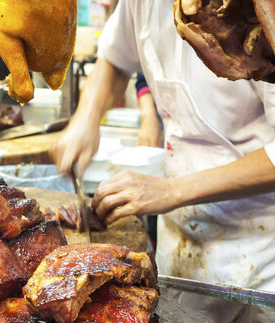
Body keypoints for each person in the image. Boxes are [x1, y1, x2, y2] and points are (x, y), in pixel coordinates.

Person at [52, 0, 275, 291]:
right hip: (177, 241)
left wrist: (171, 190)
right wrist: (87, 116)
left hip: (257, 253)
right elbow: (116, 61)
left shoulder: (256, 9)